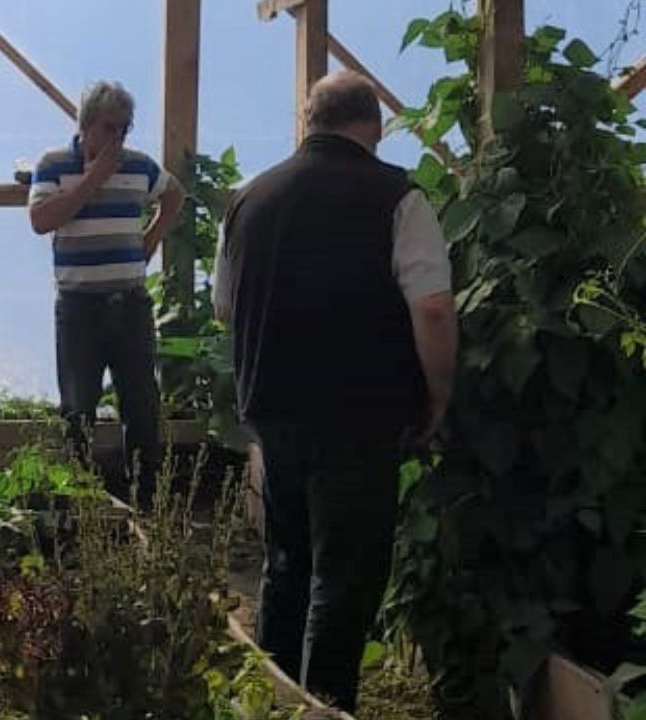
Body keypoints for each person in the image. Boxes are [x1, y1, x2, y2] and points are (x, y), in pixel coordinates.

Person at [213, 71, 458, 711]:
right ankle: (325, 707)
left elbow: (223, 307)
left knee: (285, 565)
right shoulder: (397, 198)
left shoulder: (248, 199)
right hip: (361, 416)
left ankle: (270, 699)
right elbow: (432, 310)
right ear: (373, 128)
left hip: (273, 410)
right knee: (343, 581)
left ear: (307, 123)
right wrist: (437, 398)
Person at [28, 80, 184, 505]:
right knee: (78, 407)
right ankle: (81, 503)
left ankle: (147, 499)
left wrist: (148, 244)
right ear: (86, 125)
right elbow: (41, 220)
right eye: (109, 127)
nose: (117, 138)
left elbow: (174, 195)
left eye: (125, 129)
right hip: (79, 307)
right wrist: (93, 178)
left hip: (129, 304)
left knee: (141, 404)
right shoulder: (54, 163)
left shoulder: (139, 166)